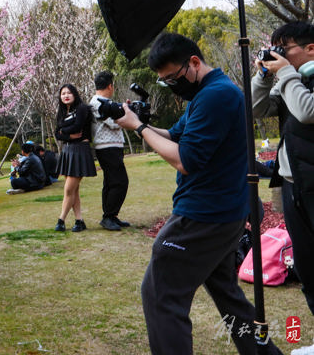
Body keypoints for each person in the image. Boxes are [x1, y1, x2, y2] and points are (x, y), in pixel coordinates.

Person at [115, 32, 282, 355]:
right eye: (165, 82)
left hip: (203, 215)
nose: (173, 86)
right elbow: (175, 135)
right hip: (224, 212)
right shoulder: (208, 93)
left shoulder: (215, 96)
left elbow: (185, 160)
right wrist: (135, 121)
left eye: (173, 78)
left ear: (194, 62)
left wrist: (139, 128)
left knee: (160, 295)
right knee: (227, 294)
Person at [252, 21, 314, 331]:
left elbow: (307, 111)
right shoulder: (290, 80)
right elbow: (254, 108)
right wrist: (264, 76)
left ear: (310, 48)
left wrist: (286, 72)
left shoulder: (296, 79)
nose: (278, 56)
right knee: (307, 268)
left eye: (284, 49)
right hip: (293, 186)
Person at [88, 70, 131, 231]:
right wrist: (127, 114)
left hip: (111, 146)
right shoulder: (99, 103)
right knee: (120, 182)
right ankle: (108, 216)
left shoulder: (102, 102)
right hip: (107, 147)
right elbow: (114, 123)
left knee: (111, 182)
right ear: (110, 86)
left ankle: (111, 216)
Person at [53, 83, 96, 232]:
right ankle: (79, 221)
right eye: (63, 93)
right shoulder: (62, 112)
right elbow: (56, 133)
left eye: (69, 93)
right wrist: (68, 134)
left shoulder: (82, 108)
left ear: (75, 94)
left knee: (68, 190)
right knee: (74, 190)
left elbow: (77, 127)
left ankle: (61, 220)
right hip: (68, 150)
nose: (66, 95)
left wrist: (63, 131)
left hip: (80, 150)